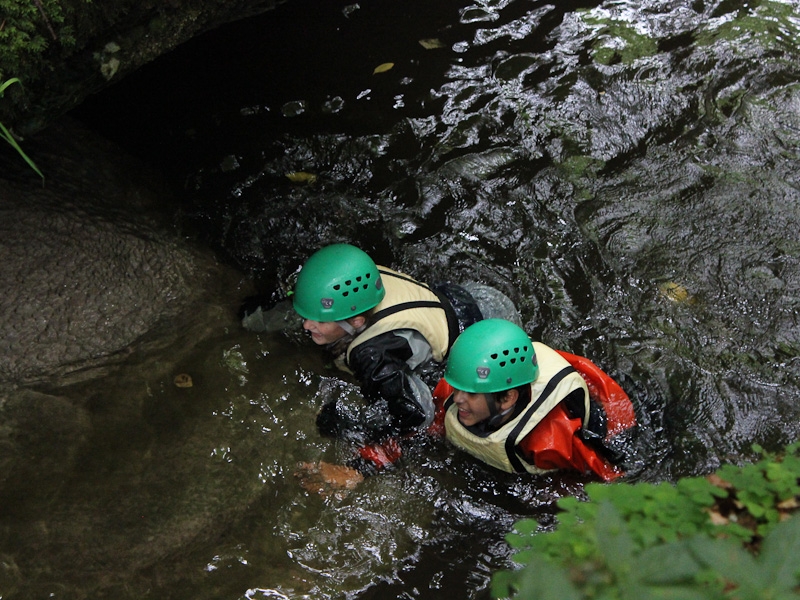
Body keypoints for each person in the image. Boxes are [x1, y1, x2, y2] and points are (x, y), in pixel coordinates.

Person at [296, 319, 637, 493]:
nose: (456, 399)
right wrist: (359, 469)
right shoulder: (459, 388)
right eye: (456, 388)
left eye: (469, 395)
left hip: (600, 428)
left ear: (507, 398)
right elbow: (416, 431)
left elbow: (608, 480)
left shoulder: (552, 440)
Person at [291, 243, 522, 444]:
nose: (307, 325)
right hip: (473, 298)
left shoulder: (371, 354)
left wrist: (350, 427)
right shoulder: (366, 276)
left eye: (321, 320)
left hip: (480, 339)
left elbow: (416, 416)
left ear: (357, 321)